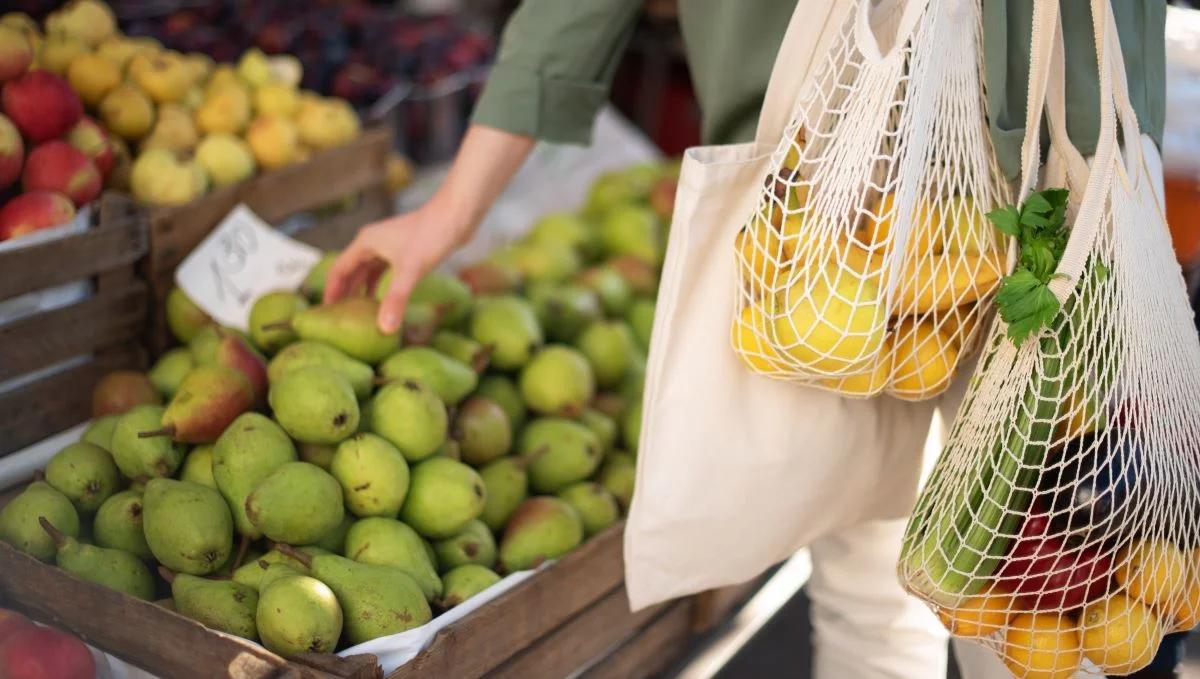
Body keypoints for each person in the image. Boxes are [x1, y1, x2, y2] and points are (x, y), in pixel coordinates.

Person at [325, 2, 1170, 677]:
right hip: (828, 202)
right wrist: (454, 208)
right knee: (871, 589)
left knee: (1042, 619)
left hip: (1061, 176)